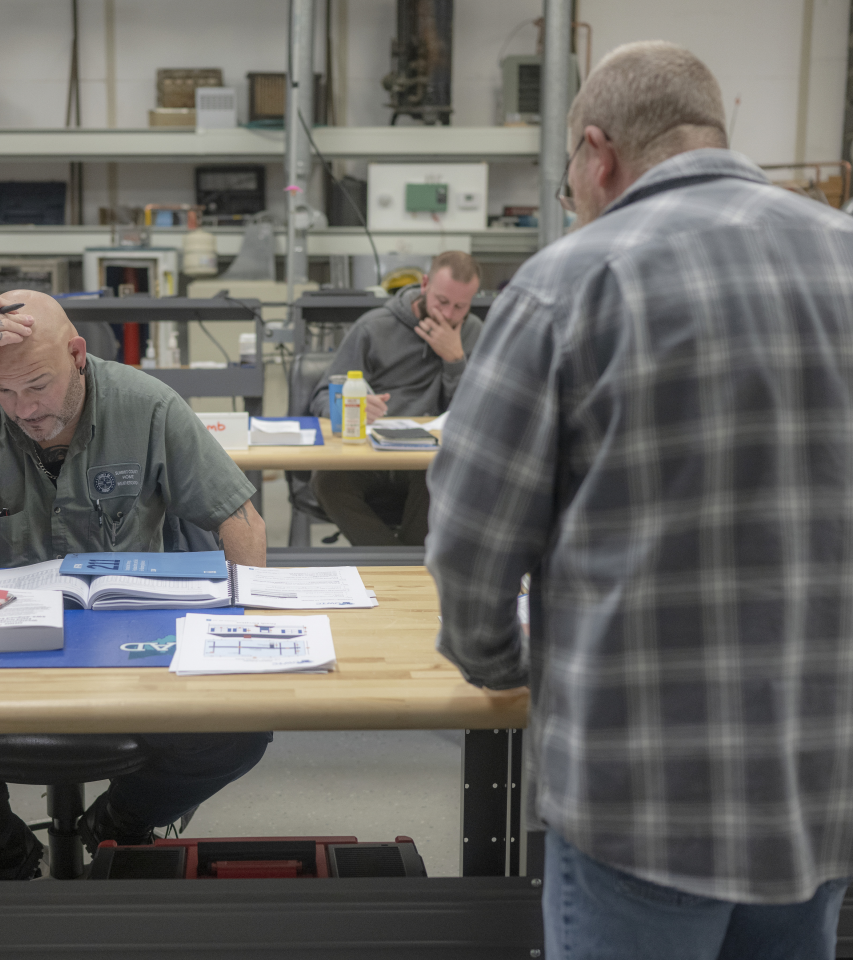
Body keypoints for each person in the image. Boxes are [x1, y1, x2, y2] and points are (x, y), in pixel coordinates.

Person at [425, 41, 853, 959]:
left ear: (597, 150)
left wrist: (500, 663)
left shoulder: (567, 285)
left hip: (648, 795)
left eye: (569, 173)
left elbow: (470, 537)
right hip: (824, 782)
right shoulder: (844, 258)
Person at [0, 289, 270, 880]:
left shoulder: (145, 405)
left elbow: (240, 517)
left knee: (245, 725)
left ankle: (121, 824)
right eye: (5, 390)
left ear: (76, 353)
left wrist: (243, 631)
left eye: (37, 386)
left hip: (131, 660)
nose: (23, 409)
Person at [307, 251, 483, 546]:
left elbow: (479, 412)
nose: (449, 315)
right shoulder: (373, 327)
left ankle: (403, 564)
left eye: (460, 307)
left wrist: (455, 359)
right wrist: (354, 409)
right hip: (370, 455)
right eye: (441, 301)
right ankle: (393, 561)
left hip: (428, 458)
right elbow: (323, 396)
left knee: (441, 477)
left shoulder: (474, 332)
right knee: (326, 481)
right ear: (425, 284)